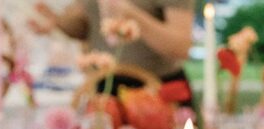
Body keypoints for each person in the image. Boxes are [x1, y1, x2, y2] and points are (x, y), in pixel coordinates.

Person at [29, 0, 193, 87]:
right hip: (104, 89)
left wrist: (130, 14)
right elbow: (87, 27)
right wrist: (56, 21)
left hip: (155, 91)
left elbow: (181, 47)